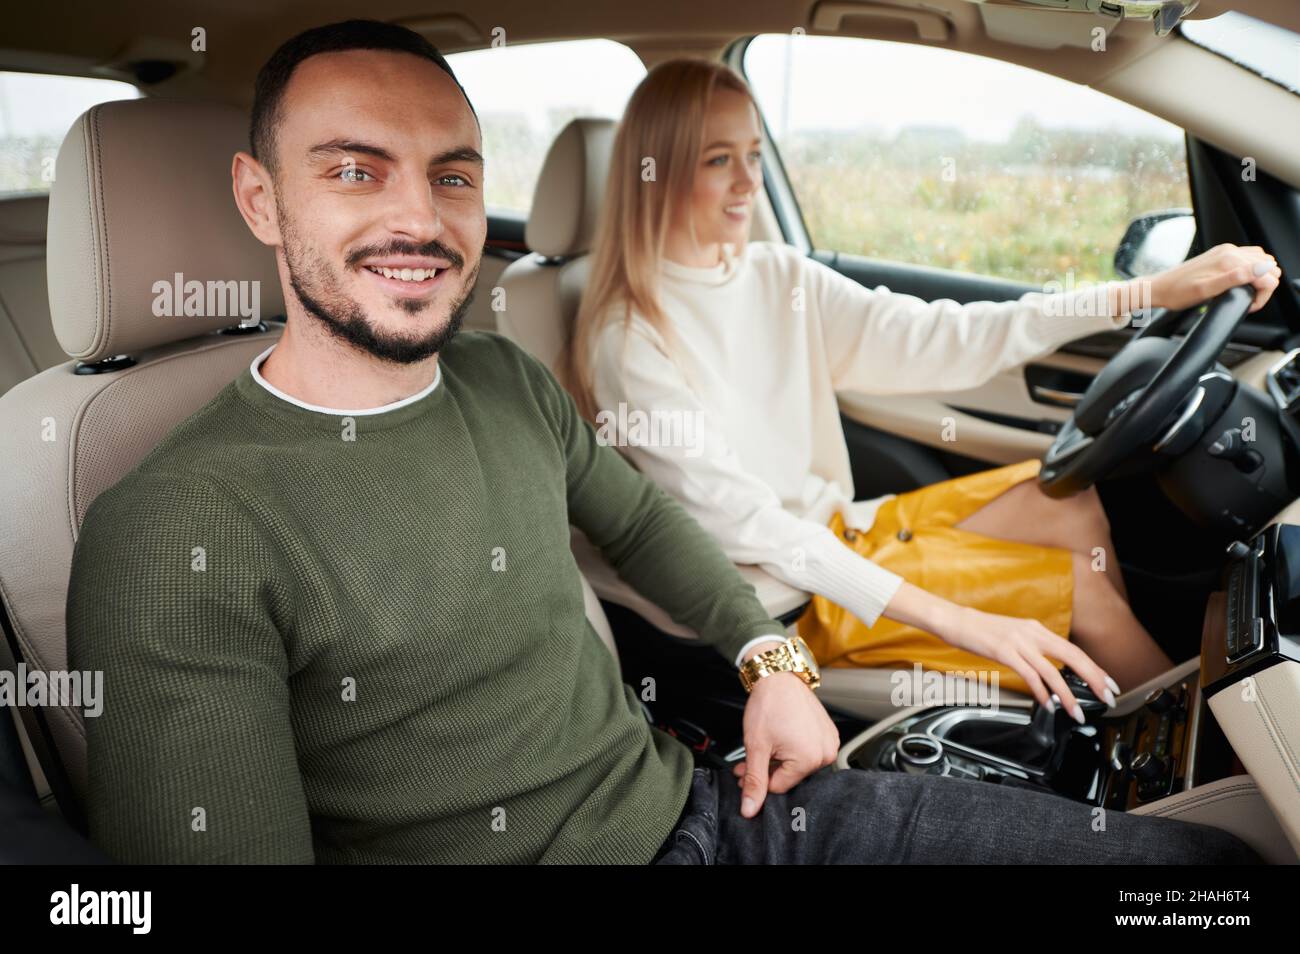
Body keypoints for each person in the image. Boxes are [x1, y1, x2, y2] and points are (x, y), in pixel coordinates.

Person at [66, 20, 1260, 865]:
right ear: (260, 200)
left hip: (721, 806)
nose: (418, 220)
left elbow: (642, 521)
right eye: (353, 171)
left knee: (1203, 874)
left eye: (452, 174)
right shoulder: (176, 533)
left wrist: (772, 666)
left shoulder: (497, 377)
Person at [567, 58, 1283, 729]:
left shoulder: (776, 275)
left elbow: (951, 334)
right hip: (783, 600)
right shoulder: (628, 337)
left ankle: (1114, 719)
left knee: (1064, 502)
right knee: (1081, 591)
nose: (748, 183)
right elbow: (750, 529)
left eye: (753, 155)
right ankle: (1216, 762)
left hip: (836, 528)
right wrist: (967, 621)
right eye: (718, 160)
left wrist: (1152, 290)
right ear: (654, 173)